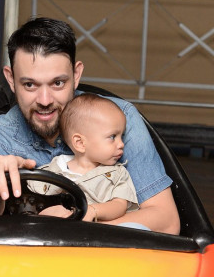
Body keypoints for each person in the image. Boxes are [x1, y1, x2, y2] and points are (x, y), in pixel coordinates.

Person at [0, 17, 180, 234]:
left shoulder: (120, 118)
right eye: (30, 84)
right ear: (11, 79)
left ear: (76, 74)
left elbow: (167, 221)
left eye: (58, 83)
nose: (45, 100)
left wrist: (74, 230)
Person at [29, 92, 139, 223]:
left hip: (93, 233)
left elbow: (119, 206)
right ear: (80, 143)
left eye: (122, 136)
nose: (121, 144)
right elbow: (33, 201)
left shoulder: (118, 174)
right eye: (112, 137)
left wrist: (93, 211)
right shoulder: (51, 170)